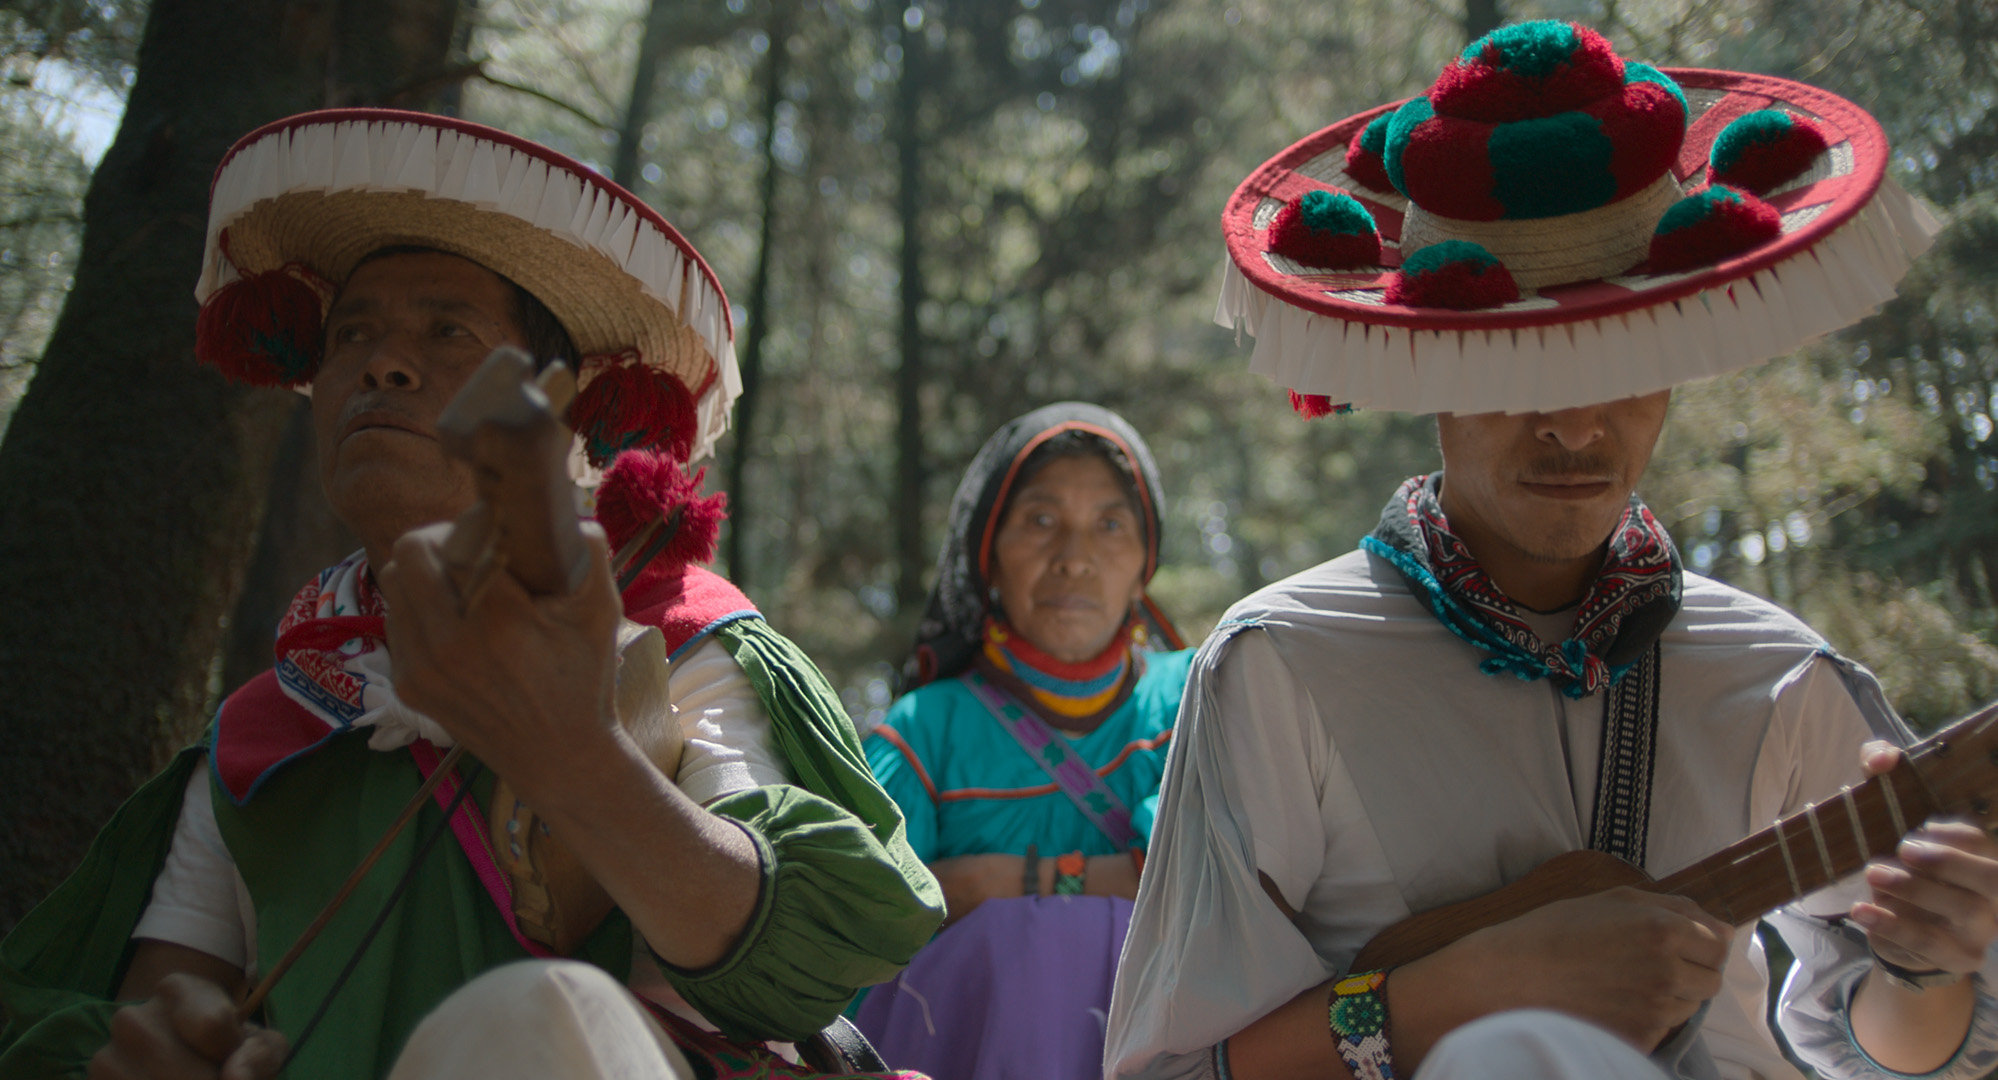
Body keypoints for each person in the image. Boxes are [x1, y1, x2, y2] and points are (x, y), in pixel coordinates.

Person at [1106, 20, 1998, 1080]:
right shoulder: (1279, 667)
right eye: (1515, 366)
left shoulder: (1779, 674)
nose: (1575, 426)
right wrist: (1458, 994)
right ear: (1428, 365)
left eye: (1623, 358)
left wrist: (1926, 972)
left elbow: (1896, 1048)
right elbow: (1172, 1069)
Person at [0, 109, 942, 1080]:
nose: (383, 361)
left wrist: (578, 758)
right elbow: (161, 1000)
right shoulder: (263, 732)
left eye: (449, 330)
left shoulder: (680, 641)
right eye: (350, 333)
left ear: (558, 406)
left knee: (545, 1016)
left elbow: (807, 965)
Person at [853, 403, 1192, 1080]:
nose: (1074, 559)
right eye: (1040, 521)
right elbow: (859, 950)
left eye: (1110, 524)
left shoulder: (1199, 702)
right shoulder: (923, 735)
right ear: (988, 554)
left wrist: (995, 883)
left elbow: (1212, 889)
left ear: (1143, 562)